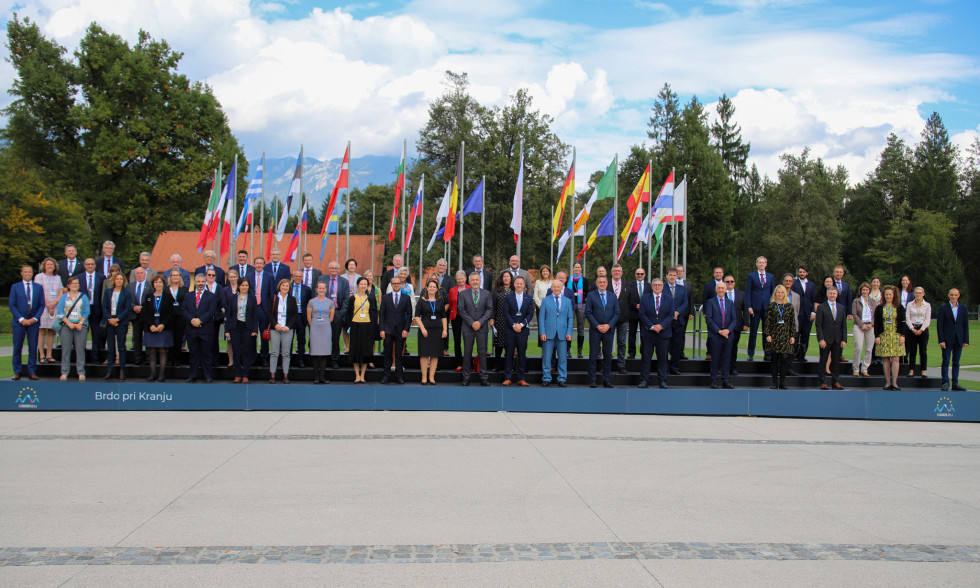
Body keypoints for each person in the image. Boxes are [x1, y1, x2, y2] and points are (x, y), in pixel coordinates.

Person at [10, 264, 45, 381]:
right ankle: (17, 371)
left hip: (33, 322)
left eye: (29, 272)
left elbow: (41, 305)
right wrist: (21, 319)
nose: (28, 274)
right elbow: (12, 305)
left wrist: (34, 319)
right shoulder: (15, 287)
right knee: (17, 348)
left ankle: (31, 371)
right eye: (25, 272)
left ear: (32, 273)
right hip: (19, 322)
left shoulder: (39, 287)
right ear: (21, 273)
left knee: (32, 347)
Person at [585, 275, 620, 388]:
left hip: (608, 330)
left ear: (607, 283)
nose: (602, 284)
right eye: (600, 282)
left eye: (604, 282)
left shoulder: (612, 296)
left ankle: (606, 379)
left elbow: (617, 313)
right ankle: (592, 380)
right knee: (593, 355)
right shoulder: (591, 295)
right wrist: (597, 325)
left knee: (607, 355)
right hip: (596, 330)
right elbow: (588, 312)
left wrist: (609, 325)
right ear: (596, 284)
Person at [637, 278, 673, 389]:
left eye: (659, 285)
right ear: (651, 286)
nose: (657, 287)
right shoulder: (644, 298)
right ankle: (644, 380)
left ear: (663, 287)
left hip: (663, 333)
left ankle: (662, 380)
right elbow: (642, 314)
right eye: (655, 285)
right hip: (648, 332)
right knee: (646, 357)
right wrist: (652, 326)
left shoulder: (669, 298)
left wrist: (661, 326)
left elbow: (671, 315)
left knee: (662, 358)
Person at [459, 272, 493, 386]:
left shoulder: (487, 294)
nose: (475, 282)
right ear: (469, 281)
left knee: (482, 353)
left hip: (481, 328)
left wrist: (480, 322)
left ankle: (483, 377)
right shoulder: (463, 294)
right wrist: (472, 322)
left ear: (480, 281)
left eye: (477, 280)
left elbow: (489, 310)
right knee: (467, 352)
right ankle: (466, 377)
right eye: (472, 280)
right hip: (468, 328)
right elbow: (461, 310)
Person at [183, 274, 217, 383]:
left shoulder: (211, 296)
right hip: (191, 330)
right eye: (199, 281)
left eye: (203, 281)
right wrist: (192, 320)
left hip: (206, 330)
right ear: (195, 283)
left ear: (205, 282)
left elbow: (211, 311)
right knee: (193, 354)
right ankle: (192, 375)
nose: (201, 284)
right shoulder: (188, 296)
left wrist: (200, 320)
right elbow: (184, 310)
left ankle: (208, 375)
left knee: (206, 354)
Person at [539, 279, 574, 387]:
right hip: (548, 333)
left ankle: (562, 378)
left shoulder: (567, 301)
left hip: (563, 334)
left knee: (563, 358)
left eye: (558, 287)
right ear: (551, 288)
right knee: (546, 358)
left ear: (562, 287)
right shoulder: (545, 300)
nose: (556, 289)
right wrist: (542, 332)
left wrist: (569, 332)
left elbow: (570, 318)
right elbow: (541, 318)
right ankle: (546, 378)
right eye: (554, 287)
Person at [379, 275, 413, 384]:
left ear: (401, 284)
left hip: (401, 330)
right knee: (388, 353)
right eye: (394, 283)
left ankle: (399, 376)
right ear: (391, 285)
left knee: (399, 354)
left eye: (398, 283)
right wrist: (382, 329)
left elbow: (409, 314)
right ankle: (386, 375)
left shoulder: (406, 298)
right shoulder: (385, 297)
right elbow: (382, 314)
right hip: (388, 330)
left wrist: (406, 329)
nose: (396, 285)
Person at [140, 275, 174, 382]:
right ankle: (152, 373)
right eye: (156, 282)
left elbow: (171, 313)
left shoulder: (168, 297)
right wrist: (150, 325)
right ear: (153, 284)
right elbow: (145, 312)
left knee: (163, 350)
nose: (158, 284)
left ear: (163, 284)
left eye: (160, 282)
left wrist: (163, 324)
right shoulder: (148, 296)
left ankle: (161, 374)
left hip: (163, 326)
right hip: (151, 326)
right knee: (152, 350)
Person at [55, 276, 90, 381]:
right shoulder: (64, 297)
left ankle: (81, 372)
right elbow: (60, 312)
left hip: (80, 326)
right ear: (68, 285)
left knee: (80, 349)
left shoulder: (83, 297)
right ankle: (64, 372)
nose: (75, 285)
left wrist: (80, 323)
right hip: (67, 326)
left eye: (77, 283)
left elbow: (86, 311)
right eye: (73, 283)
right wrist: (68, 323)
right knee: (66, 349)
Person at [225, 278, 258, 383]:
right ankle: (237, 374)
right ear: (239, 286)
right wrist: (226, 330)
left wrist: (254, 329)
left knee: (246, 352)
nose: (245, 287)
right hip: (235, 327)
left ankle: (245, 374)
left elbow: (255, 315)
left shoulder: (252, 298)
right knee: (236, 351)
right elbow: (228, 314)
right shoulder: (233, 298)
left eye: (246, 285)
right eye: (243, 285)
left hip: (247, 327)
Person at [764, 285, 798, 389]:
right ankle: (774, 383)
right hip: (774, 335)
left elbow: (793, 322)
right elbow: (767, 322)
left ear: (785, 294)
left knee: (784, 359)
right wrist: (768, 334)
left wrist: (792, 335)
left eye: (782, 292)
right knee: (774, 359)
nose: (780, 294)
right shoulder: (771, 306)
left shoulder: (789, 306)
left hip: (785, 336)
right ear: (775, 294)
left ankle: (782, 383)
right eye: (778, 292)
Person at [874, 285, 907, 391]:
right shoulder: (879, 308)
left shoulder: (899, 307)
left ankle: (895, 382)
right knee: (886, 359)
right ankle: (888, 382)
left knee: (896, 358)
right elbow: (877, 323)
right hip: (884, 335)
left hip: (896, 336)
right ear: (884, 295)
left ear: (894, 295)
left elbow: (903, 322)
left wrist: (903, 335)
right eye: (886, 294)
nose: (888, 296)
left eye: (890, 294)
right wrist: (877, 336)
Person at [346, 276, 378, 384]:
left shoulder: (371, 298)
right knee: (355, 350)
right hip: (355, 326)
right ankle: (357, 375)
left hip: (367, 326)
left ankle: (363, 375)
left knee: (365, 351)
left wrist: (372, 326)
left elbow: (373, 313)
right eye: (361, 284)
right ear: (358, 286)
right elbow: (348, 313)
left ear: (367, 285)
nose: (363, 286)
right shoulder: (352, 298)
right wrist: (350, 325)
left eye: (365, 284)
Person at [936, 288, 969, 392]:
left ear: (958, 295)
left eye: (955, 295)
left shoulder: (963, 308)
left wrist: (966, 340)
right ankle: (945, 382)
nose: (953, 297)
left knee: (956, 362)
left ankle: (955, 383)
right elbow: (939, 325)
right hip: (947, 339)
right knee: (946, 361)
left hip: (959, 339)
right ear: (948, 295)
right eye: (952, 295)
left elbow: (965, 325)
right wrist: (941, 340)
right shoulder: (943, 308)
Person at [415, 279, 447, 385]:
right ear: (427, 288)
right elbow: (417, 317)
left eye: (434, 287)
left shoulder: (440, 301)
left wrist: (445, 330)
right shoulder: (421, 301)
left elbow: (443, 317)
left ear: (437, 289)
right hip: (425, 330)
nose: (432, 288)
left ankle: (431, 377)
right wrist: (423, 329)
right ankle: (424, 377)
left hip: (437, 330)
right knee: (424, 354)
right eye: (430, 286)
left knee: (435, 354)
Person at [705, 281, 736, 389]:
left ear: (726, 289)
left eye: (723, 288)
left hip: (728, 335)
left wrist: (728, 330)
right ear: (716, 289)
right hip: (715, 335)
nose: (721, 290)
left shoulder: (730, 302)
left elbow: (734, 319)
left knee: (727, 359)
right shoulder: (710, 302)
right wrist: (719, 331)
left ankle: (725, 380)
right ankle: (714, 380)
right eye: (719, 288)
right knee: (715, 359)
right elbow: (708, 319)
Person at [101, 272, 132, 381]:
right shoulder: (108, 292)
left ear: (124, 281)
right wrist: (110, 318)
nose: (119, 281)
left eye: (121, 279)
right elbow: (104, 306)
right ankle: (109, 370)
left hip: (121, 322)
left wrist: (118, 319)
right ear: (113, 280)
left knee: (121, 347)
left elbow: (127, 308)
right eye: (117, 279)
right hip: (110, 321)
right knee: (110, 347)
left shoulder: (127, 293)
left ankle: (122, 370)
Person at [815, 286, 847, 390]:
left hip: (837, 339)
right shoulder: (821, 307)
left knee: (835, 362)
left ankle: (835, 381)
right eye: (830, 293)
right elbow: (818, 325)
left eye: (834, 293)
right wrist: (821, 339)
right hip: (825, 339)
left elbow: (844, 325)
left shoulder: (841, 308)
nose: (832, 295)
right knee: (823, 360)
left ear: (837, 294)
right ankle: (823, 382)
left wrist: (844, 339)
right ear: (827, 294)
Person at [503, 276, 533, 387]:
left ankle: (521, 378)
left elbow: (530, 314)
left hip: (523, 330)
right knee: (509, 354)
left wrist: (521, 325)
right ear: (514, 285)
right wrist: (513, 325)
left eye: (521, 283)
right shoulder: (508, 297)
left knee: (522, 354)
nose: (519, 285)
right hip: (510, 330)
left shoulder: (529, 298)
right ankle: (507, 378)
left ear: (524, 285)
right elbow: (505, 313)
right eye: (517, 283)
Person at [745, 256, 774, 361]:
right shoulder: (751, 276)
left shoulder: (770, 277)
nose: (761, 264)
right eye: (759, 262)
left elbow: (773, 292)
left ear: (766, 264)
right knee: (753, 331)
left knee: (767, 332)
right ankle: (751, 353)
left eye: (763, 262)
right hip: (755, 308)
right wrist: (749, 306)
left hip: (767, 308)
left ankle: (767, 353)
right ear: (756, 264)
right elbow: (748, 292)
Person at [34, 257, 63, 365]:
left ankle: (49, 355)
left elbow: (61, 291)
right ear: (44, 266)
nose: (50, 266)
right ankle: (41, 355)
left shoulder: (57, 277)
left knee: (52, 331)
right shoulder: (39, 277)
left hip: (54, 307)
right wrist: (47, 305)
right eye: (48, 265)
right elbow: (38, 292)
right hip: (42, 307)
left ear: (55, 266)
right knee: (42, 331)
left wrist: (54, 303)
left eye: (52, 265)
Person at [322, 261, 350, 369]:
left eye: (335, 268)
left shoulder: (344, 282)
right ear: (329, 269)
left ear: (339, 270)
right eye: (332, 268)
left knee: (335, 338)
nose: (333, 270)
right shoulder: (322, 279)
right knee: (324, 337)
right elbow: (316, 294)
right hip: (324, 312)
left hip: (337, 311)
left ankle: (334, 360)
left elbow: (346, 299)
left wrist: (341, 313)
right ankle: (323, 359)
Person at [268, 278, 297, 383]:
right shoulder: (274, 298)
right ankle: (272, 375)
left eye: (287, 286)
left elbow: (294, 315)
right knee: (274, 352)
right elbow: (269, 313)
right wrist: (275, 324)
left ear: (289, 288)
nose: (285, 288)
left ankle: (285, 375)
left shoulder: (292, 299)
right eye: (283, 285)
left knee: (286, 353)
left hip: (287, 329)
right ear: (279, 286)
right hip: (275, 328)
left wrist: (288, 326)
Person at [307, 281, 335, 384]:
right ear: (316, 289)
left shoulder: (330, 302)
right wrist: (314, 324)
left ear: (326, 290)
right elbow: (309, 317)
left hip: (326, 328)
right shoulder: (311, 302)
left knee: (324, 353)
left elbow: (331, 317)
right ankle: (316, 377)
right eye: (320, 288)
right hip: (314, 327)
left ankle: (322, 377)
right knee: (314, 352)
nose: (321, 290)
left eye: (323, 288)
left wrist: (324, 323)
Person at [722, 275, 750, 376]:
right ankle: (723, 368)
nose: (729, 283)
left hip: (737, 326)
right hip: (724, 326)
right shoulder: (721, 294)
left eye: (731, 281)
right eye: (727, 281)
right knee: (723, 348)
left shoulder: (741, 294)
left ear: (734, 283)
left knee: (734, 348)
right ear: (724, 282)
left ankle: (732, 367)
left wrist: (746, 323)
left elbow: (745, 310)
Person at [249, 257, 273, 367]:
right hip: (252, 309)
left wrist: (270, 310)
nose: (258, 265)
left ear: (264, 265)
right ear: (254, 264)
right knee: (252, 334)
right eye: (257, 263)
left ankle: (264, 357)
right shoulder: (248, 276)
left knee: (264, 334)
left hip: (264, 309)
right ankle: (253, 357)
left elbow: (272, 294)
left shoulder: (269, 276)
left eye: (261, 263)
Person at [665, 268, 688, 376]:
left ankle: (674, 367)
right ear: (667, 276)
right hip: (666, 321)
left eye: (674, 275)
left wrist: (677, 312)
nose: (672, 277)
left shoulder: (682, 289)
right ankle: (664, 367)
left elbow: (685, 303)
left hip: (678, 321)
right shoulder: (661, 287)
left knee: (676, 346)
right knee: (664, 345)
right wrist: (671, 313)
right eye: (670, 275)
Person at [81, 258, 105, 363]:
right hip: (83, 310)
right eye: (88, 264)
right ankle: (83, 357)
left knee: (96, 335)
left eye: (92, 264)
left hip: (96, 309)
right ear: (84, 266)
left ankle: (95, 356)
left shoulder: (101, 277)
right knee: (82, 335)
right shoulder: (79, 278)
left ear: (95, 265)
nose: (90, 266)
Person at [609, 264, 631, 374]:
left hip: (623, 318)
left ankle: (621, 364)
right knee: (608, 342)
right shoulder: (606, 284)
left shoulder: (628, 285)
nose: (617, 272)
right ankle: (607, 364)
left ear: (622, 273)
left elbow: (630, 301)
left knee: (622, 342)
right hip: (609, 319)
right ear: (611, 272)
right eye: (615, 271)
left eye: (619, 271)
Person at [851, 282, 877, 378]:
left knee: (869, 349)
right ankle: (856, 369)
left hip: (870, 326)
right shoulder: (856, 301)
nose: (865, 291)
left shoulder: (873, 302)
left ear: (869, 291)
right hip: (859, 326)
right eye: (863, 290)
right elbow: (854, 314)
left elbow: (875, 315)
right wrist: (861, 325)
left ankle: (865, 368)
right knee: (858, 348)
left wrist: (871, 324)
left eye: (866, 290)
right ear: (861, 291)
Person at [791, 265, 816, 362]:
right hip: (797, 313)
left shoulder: (811, 285)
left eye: (803, 272)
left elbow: (813, 299)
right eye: (800, 272)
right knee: (796, 335)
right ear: (798, 273)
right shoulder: (794, 283)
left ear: (807, 273)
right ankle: (794, 355)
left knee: (806, 336)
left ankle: (802, 355)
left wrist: (813, 312)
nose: (802, 273)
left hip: (808, 314)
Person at [489, 270, 513, 370]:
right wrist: (491, 318)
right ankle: (497, 365)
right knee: (498, 344)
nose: (506, 278)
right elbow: (492, 306)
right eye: (504, 277)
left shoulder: (514, 290)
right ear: (501, 278)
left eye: (508, 276)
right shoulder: (496, 290)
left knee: (510, 344)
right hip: (499, 319)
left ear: (511, 278)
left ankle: (509, 366)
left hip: (511, 321)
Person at [905, 287, 931, 378]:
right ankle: (911, 371)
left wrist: (921, 330)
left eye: (920, 293)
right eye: (916, 293)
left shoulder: (927, 305)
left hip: (923, 329)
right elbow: (907, 318)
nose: (918, 295)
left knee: (923, 351)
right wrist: (912, 329)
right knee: (912, 350)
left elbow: (927, 319)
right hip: (912, 328)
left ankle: (923, 371)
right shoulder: (909, 304)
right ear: (914, 294)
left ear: (923, 294)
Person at [289, 270, 312, 368]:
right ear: (293, 277)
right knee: (289, 339)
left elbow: (309, 304)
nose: (298, 278)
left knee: (301, 340)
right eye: (296, 276)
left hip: (301, 316)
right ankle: (288, 360)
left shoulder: (307, 289)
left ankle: (301, 360)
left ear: (302, 278)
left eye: (300, 276)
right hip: (289, 317)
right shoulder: (288, 287)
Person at [626, 267, 650, 359]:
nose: (639, 275)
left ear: (645, 275)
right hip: (633, 313)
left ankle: (644, 352)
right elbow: (627, 298)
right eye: (638, 274)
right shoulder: (629, 285)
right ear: (635, 275)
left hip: (645, 314)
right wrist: (635, 305)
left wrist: (644, 306)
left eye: (641, 274)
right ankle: (631, 353)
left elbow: (651, 298)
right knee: (632, 334)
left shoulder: (649, 286)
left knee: (644, 334)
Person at [448, 270, 469, 372]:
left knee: (467, 341)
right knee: (457, 341)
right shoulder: (452, 290)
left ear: (465, 279)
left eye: (462, 278)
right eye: (458, 279)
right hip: (456, 318)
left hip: (467, 318)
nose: (460, 280)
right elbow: (451, 304)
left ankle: (467, 363)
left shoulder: (470, 288)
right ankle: (459, 364)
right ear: (456, 280)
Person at [128, 267, 149, 366]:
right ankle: (138, 358)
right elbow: (128, 299)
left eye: (141, 273)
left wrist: (142, 307)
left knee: (148, 337)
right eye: (137, 273)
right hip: (134, 315)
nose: (139, 275)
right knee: (137, 338)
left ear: (145, 274)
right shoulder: (130, 286)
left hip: (146, 315)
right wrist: (134, 307)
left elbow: (151, 300)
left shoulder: (150, 286)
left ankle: (148, 359)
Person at [568, 262, 591, 358]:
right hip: (571, 304)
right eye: (575, 267)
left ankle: (579, 350)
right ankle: (568, 350)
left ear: (581, 269)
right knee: (569, 328)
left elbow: (587, 292)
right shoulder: (569, 280)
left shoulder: (585, 280)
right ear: (573, 268)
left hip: (582, 305)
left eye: (579, 267)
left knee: (581, 329)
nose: (577, 269)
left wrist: (583, 299)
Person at [167, 268, 188, 363]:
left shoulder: (184, 289)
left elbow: (187, 303)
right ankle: (170, 358)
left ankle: (177, 359)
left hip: (180, 316)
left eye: (177, 275)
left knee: (179, 338)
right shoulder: (166, 289)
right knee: (170, 337)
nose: (175, 277)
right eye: (173, 275)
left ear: (180, 277)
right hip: (169, 317)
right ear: (170, 277)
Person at [223, 269, 241, 367]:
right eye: (231, 277)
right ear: (228, 278)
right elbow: (224, 303)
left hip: (241, 317)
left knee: (240, 341)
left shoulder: (242, 287)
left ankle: (239, 360)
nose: (233, 278)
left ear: (237, 277)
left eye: (234, 276)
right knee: (229, 341)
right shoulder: (225, 290)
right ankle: (231, 361)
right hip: (230, 317)